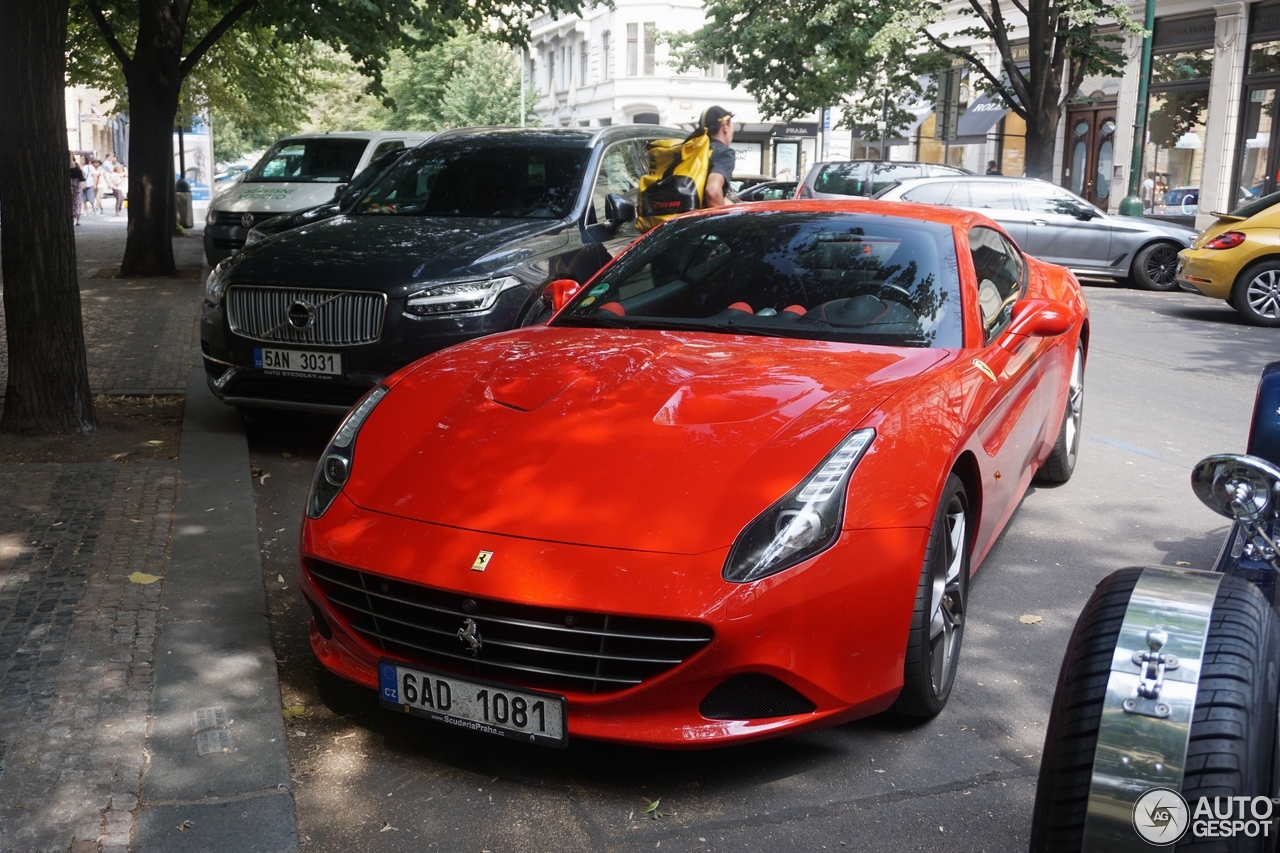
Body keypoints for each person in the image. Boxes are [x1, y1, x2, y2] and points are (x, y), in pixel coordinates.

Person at [691, 105, 737, 208]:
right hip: (697, 222)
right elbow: (713, 192)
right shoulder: (724, 153)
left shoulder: (691, 150)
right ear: (725, 125)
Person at [69, 154, 85, 226]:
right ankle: (75, 218)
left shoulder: (75, 166)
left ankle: (76, 218)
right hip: (74, 185)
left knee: (76, 202)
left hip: (75, 185)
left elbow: (82, 177)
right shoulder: (76, 168)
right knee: (75, 202)